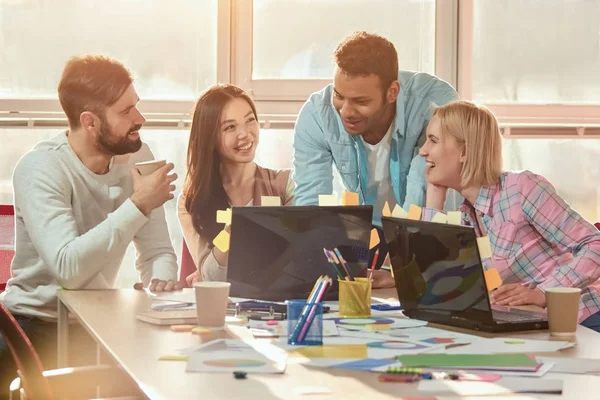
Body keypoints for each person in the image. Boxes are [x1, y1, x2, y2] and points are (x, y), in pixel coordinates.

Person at [0, 55, 181, 396]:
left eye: (136, 106)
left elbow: (157, 250)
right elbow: (69, 269)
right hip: (32, 325)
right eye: (126, 111)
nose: (139, 119)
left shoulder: (138, 157)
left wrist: (160, 282)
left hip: (96, 322)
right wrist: (138, 203)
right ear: (90, 121)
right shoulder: (41, 169)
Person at [292, 31, 460, 287]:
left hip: (433, 224)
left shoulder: (434, 105)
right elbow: (310, 204)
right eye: (339, 96)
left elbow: (424, 187)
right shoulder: (317, 114)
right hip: (370, 227)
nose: (346, 111)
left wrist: (403, 269)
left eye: (360, 101)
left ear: (392, 92)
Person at [419, 100, 600, 332]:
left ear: (464, 151)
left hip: (586, 318)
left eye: (433, 140)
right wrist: (435, 195)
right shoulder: (468, 217)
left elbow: (595, 244)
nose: (423, 150)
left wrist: (545, 292)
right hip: (536, 327)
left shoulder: (521, 189)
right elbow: (431, 286)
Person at [178, 84, 293, 286]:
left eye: (250, 120)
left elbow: (298, 261)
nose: (245, 134)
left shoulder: (285, 185)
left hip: (278, 307)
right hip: (223, 311)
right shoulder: (192, 200)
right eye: (230, 127)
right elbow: (211, 276)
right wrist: (233, 231)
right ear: (209, 138)